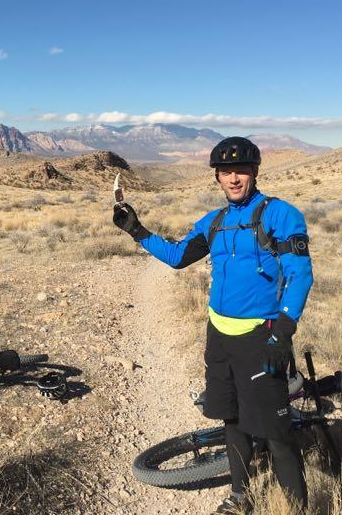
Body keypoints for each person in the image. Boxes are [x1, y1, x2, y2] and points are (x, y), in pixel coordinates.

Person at [113, 137, 313, 514]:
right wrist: (137, 231)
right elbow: (177, 257)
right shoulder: (214, 222)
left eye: (240, 171)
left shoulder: (280, 215)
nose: (233, 178)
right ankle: (241, 496)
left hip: (261, 336)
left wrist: (283, 331)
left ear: (254, 172)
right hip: (219, 336)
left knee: (277, 432)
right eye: (225, 172)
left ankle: (296, 508)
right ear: (217, 177)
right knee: (231, 419)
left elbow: (299, 274)